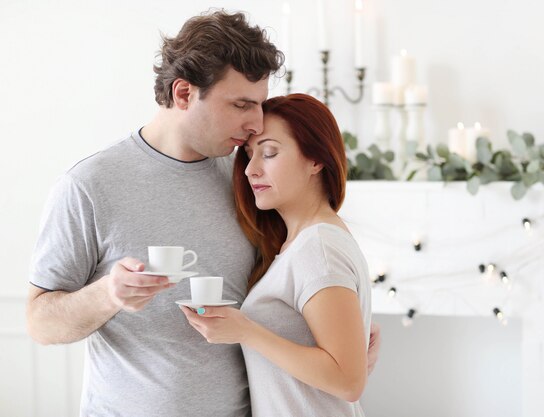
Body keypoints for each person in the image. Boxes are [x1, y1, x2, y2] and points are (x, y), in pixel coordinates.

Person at [26, 10, 379, 417]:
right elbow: (40, 322)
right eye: (242, 105)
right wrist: (108, 294)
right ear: (183, 93)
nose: (256, 123)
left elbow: (301, 277)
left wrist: (347, 329)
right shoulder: (88, 186)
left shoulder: (249, 182)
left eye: (260, 105)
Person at [180, 93, 371, 416]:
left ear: (315, 160)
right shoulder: (298, 244)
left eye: (269, 153)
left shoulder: (318, 246)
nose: (250, 170)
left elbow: (348, 380)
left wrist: (246, 331)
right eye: (250, 155)